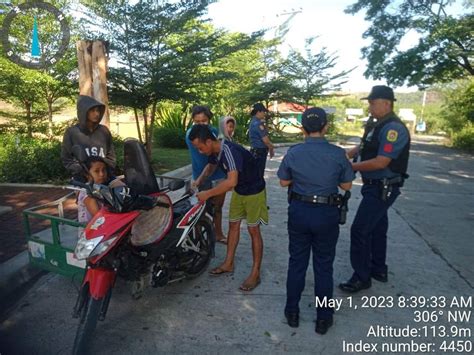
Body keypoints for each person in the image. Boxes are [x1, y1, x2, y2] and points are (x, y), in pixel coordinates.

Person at [277, 107, 354, 335]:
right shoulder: (337, 153)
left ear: (302, 128)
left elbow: (282, 182)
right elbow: (347, 186)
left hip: (299, 211)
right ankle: (323, 318)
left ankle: (292, 312)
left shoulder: (293, 152)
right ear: (326, 126)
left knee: (297, 263)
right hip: (326, 214)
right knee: (323, 266)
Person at [339, 85, 410, 293]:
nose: (369, 106)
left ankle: (361, 277)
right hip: (374, 187)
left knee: (360, 230)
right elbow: (362, 148)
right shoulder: (377, 125)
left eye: (372, 102)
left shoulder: (393, 129)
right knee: (378, 228)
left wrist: (349, 167)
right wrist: (339, 157)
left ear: (386, 103)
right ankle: (378, 269)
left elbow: (381, 162)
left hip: (383, 187)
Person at [189, 124, 268, 292]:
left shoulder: (229, 151)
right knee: (233, 226)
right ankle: (228, 263)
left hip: (254, 192)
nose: (200, 152)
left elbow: (231, 182)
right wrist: (199, 181)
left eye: (201, 148)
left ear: (209, 141)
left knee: (253, 230)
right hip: (240, 192)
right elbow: (210, 167)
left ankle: (255, 273)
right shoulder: (215, 152)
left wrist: (208, 193)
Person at [185, 106, 227, 244]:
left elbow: (215, 160)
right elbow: (208, 161)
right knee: (198, 209)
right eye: (197, 121)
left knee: (218, 208)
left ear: (209, 120)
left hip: (218, 175)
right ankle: (198, 238)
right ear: (193, 121)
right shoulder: (191, 136)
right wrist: (198, 180)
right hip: (200, 176)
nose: (201, 124)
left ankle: (218, 234)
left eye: (204, 121)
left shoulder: (215, 133)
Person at [61, 95, 116, 179]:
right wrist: (83, 171)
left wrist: (105, 170)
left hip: (104, 177)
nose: (97, 114)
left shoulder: (104, 131)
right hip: (82, 179)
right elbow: (67, 159)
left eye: (98, 110)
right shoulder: (72, 132)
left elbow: (111, 157)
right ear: (84, 112)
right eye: (92, 111)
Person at [77, 156, 108, 226]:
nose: (102, 174)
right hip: (91, 231)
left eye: (104, 170)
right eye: (97, 171)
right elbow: (98, 216)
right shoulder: (86, 191)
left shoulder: (102, 187)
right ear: (87, 174)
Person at [248, 103, 274, 178]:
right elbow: (265, 140)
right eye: (263, 111)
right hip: (259, 151)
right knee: (259, 173)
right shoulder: (258, 124)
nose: (264, 113)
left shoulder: (253, 121)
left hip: (255, 150)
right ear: (258, 112)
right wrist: (271, 148)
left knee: (255, 172)